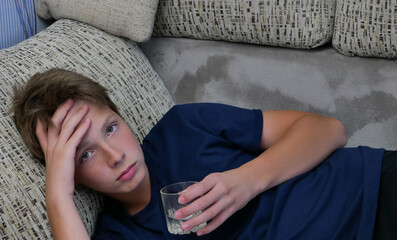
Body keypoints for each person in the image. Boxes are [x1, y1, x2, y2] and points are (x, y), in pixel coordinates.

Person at [10, 68, 395, 240]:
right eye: (84, 155)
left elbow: (329, 130)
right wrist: (56, 196)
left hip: (372, 190)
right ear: (71, 176)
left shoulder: (183, 126)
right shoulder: (118, 234)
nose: (115, 156)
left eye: (111, 128)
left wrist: (246, 180)